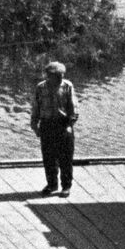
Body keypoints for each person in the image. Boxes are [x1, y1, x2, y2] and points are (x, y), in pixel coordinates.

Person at [30, 60, 77, 196]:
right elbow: (35, 108)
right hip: (47, 125)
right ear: (49, 75)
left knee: (66, 158)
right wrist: (35, 126)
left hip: (63, 125)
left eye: (62, 75)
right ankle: (52, 185)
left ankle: (66, 186)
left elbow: (74, 109)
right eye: (57, 75)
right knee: (49, 158)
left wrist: (70, 124)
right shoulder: (40, 88)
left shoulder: (68, 86)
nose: (61, 77)